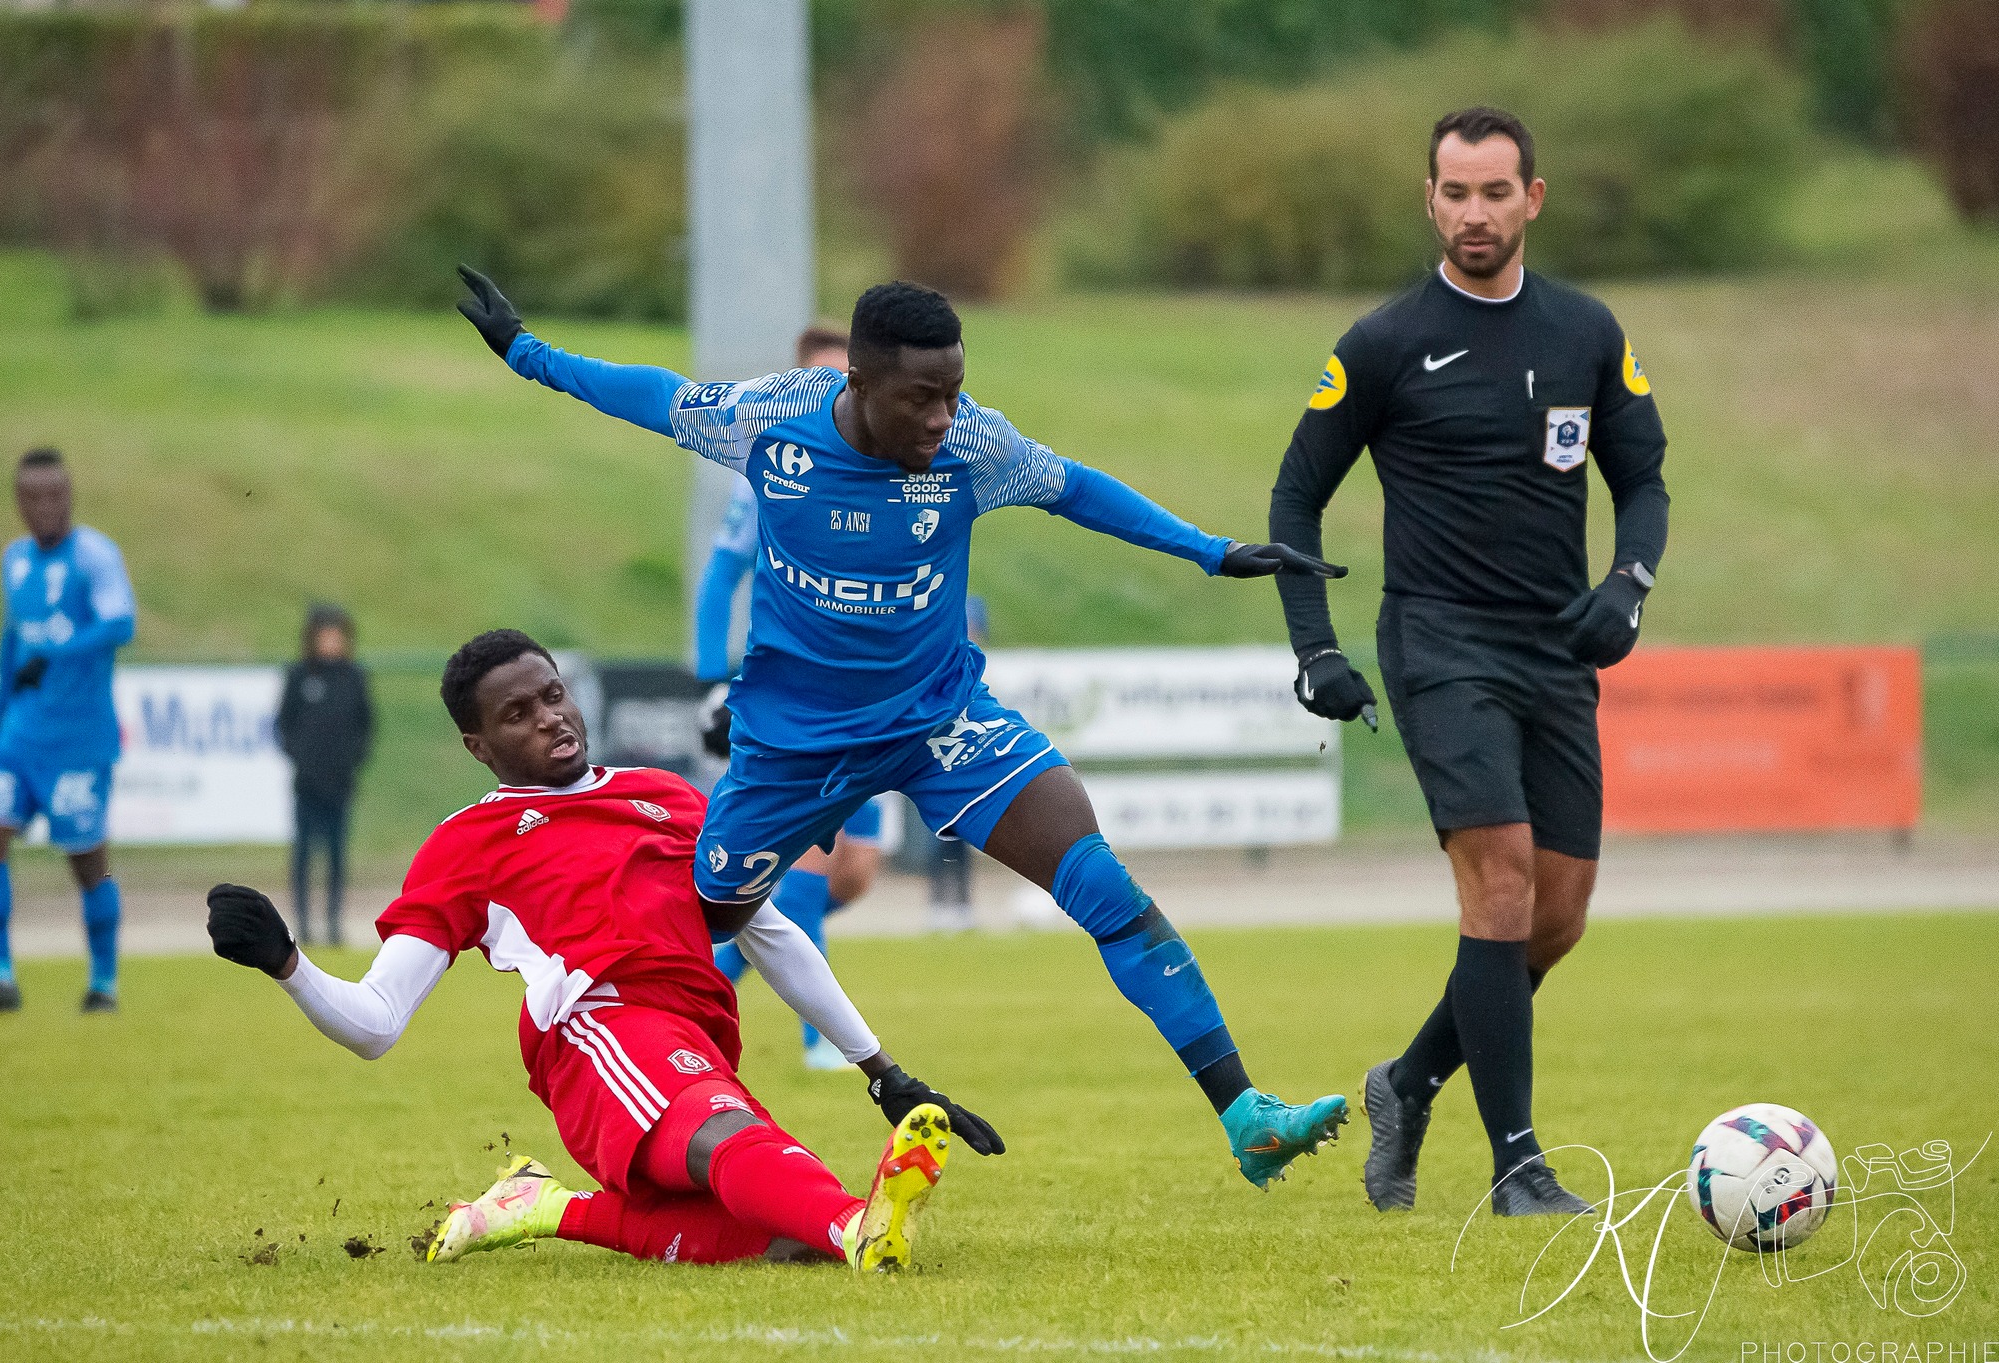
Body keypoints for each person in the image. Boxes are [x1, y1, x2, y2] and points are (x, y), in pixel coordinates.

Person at [457, 267, 1353, 1188]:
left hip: (939, 721)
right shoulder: (773, 421)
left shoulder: (974, 445)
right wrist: (529, 354)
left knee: (1103, 884)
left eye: (953, 393)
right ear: (858, 381)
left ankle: (1247, 1114)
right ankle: (651, 1113)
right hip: (795, 745)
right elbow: (655, 396)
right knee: (695, 933)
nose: (941, 419)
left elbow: (1076, 488)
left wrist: (1212, 551)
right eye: (920, 398)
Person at [205, 630, 1001, 1270]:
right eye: (517, 714)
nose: (549, 717)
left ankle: (549, 1206)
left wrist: (884, 1072)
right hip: (598, 1032)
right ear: (478, 745)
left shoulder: (668, 798)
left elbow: (772, 934)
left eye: (553, 695)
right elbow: (377, 1020)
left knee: (781, 1231)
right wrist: (288, 962)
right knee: (759, 1164)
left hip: (695, 1040)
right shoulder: (467, 842)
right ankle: (861, 1231)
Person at [1267, 107, 1670, 1216]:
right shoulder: (1383, 343)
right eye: (1455, 193)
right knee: (1499, 881)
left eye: (1495, 192)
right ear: (1429, 200)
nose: (1474, 213)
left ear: (1531, 198)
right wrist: (1315, 647)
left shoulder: (1586, 331)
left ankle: (1405, 1081)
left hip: (1555, 644)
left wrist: (1626, 586)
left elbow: (1642, 479)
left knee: (1554, 915)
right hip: (1440, 642)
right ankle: (1517, 1168)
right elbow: (1295, 497)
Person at [698, 324, 892, 1070]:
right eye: (818, 378)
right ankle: (825, 1046)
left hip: (872, 702)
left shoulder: (896, 471)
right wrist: (711, 682)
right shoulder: (773, 474)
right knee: (808, 864)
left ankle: (707, 978)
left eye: (844, 377)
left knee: (854, 872)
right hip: (795, 698)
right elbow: (720, 579)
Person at [0, 448, 136, 1017]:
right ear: (19, 502)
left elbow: (120, 623)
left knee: (88, 863)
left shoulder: (94, 556)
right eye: (33, 497)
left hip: (79, 739)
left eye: (55, 494)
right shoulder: (15, 559)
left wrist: (59, 649)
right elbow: (14, 639)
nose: (45, 506)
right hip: (21, 733)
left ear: (70, 495)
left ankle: (103, 983)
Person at [274, 603, 374, 947]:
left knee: (336, 856)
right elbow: (284, 724)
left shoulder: (354, 677)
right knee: (303, 855)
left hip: (340, 783)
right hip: (306, 784)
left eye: (337, 636)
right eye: (325, 636)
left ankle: (333, 924)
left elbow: (365, 726)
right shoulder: (299, 676)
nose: (331, 642)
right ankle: (303, 925)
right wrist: (301, 759)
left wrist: (351, 761)